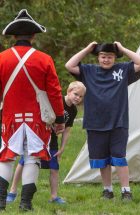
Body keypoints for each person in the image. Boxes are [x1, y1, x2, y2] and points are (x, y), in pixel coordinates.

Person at [0, 9, 65, 211]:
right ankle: (25, 203)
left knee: (6, 157)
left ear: (13, 36)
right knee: (32, 158)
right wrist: (60, 117)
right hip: (37, 119)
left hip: (10, 117)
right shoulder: (44, 59)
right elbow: (54, 92)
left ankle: (1, 200)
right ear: (33, 36)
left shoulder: (1, 58)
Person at [65, 42, 140, 201]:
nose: (106, 60)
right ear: (98, 57)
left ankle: (126, 191)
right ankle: (107, 190)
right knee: (101, 160)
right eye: (103, 56)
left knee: (119, 158)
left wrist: (122, 49)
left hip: (118, 122)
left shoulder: (122, 70)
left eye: (110, 57)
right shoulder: (89, 71)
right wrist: (88, 49)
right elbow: (70, 65)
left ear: (115, 58)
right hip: (95, 123)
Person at [6, 81, 86, 204]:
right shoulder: (56, 100)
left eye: (81, 96)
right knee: (24, 162)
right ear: (68, 92)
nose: (78, 98)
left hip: (53, 140)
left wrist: (62, 148)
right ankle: (12, 191)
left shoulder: (73, 111)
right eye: (76, 94)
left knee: (54, 168)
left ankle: (54, 197)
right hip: (39, 136)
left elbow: (67, 130)